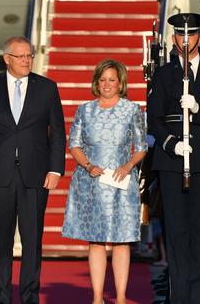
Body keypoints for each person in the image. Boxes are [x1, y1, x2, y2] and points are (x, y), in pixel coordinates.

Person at [0, 36, 66, 304]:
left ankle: (30, 298)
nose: (27, 61)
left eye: (30, 56)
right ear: (6, 59)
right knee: (1, 242)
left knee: (32, 243)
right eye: (21, 56)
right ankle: (1, 298)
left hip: (35, 176)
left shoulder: (46, 88)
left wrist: (56, 169)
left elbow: (58, 132)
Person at [146, 13, 200, 304]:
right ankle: (179, 296)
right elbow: (154, 119)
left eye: (191, 35)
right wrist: (172, 144)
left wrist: (199, 109)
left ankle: (198, 298)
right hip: (173, 162)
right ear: (173, 39)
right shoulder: (163, 75)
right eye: (180, 36)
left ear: (199, 38)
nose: (186, 41)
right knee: (176, 232)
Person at [61, 59, 147, 304]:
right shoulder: (84, 110)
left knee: (121, 240)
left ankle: (120, 297)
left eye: (112, 79)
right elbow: (74, 144)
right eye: (103, 80)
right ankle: (97, 297)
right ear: (96, 83)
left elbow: (141, 147)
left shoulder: (132, 110)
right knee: (96, 239)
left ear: (121, 83)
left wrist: (128, 166)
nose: (107, 84)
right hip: (92, 182)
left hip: (121, 182)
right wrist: (88, 165)